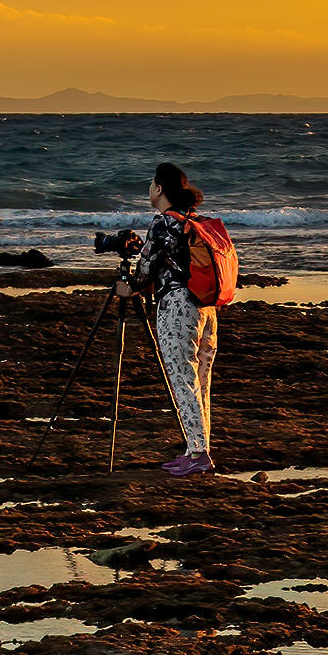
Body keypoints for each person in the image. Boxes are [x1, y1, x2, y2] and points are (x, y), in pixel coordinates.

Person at [118, 162, 217, 476]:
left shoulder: (163, 223)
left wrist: (129, 287)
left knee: (183, 383)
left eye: (152, 184)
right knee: (200, 383)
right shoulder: (191, 220)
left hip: (177, 309)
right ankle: (195, 449)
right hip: (205, 308)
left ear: (159, 188)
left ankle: (198, 454)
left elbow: (146, 267)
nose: (150, 189)